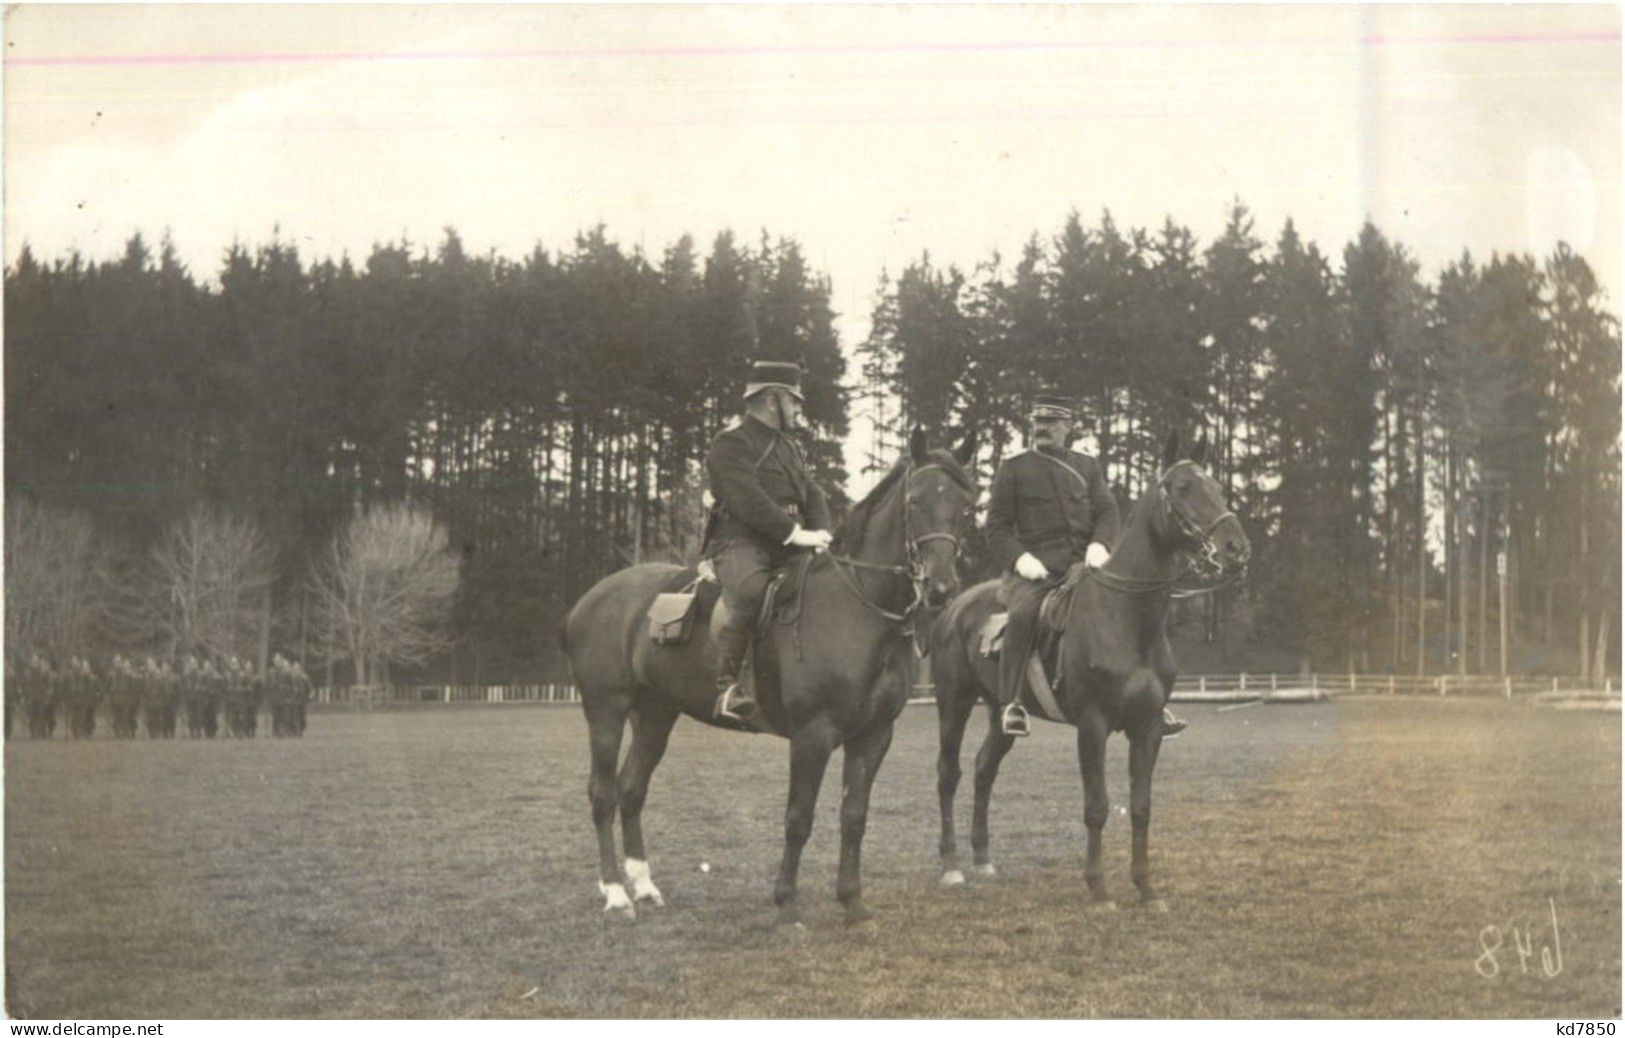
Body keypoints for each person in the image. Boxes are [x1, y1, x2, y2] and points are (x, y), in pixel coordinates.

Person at [985, 389, 1187, 738]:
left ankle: (1151, 696)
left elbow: (1107, 510)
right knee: (1022, 616)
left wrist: (1099, 544)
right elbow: (997, 527)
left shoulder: (1087, 466)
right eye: (1039, 421)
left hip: (1085, 567)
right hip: (1036, 573)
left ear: (1069, 426)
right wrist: (1021, 559)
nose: (1043, 428)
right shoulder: (1013, 469)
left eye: (1052, 422)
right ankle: (1012, 703)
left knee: (1129, 609)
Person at [702, 360, 832, 725]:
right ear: (773, 399)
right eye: (794, 401)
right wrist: (795, 533)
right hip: (741, 542)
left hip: (790, 544)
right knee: (749, 592)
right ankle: (726, 688)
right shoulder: (731, 443)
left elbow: (812, 493)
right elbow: (747, 500)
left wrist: (822, 534)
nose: (798, 409)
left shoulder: (789, 448)